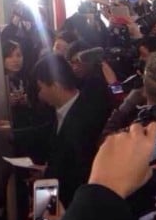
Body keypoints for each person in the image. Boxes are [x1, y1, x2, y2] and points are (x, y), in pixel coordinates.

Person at [33, 54, 108, 207]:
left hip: (69, 208)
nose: (40, 95)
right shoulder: (66, 109)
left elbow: (78, 176)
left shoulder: (84, 121)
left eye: (41, 88)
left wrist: (45, 212)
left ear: (55, 86)